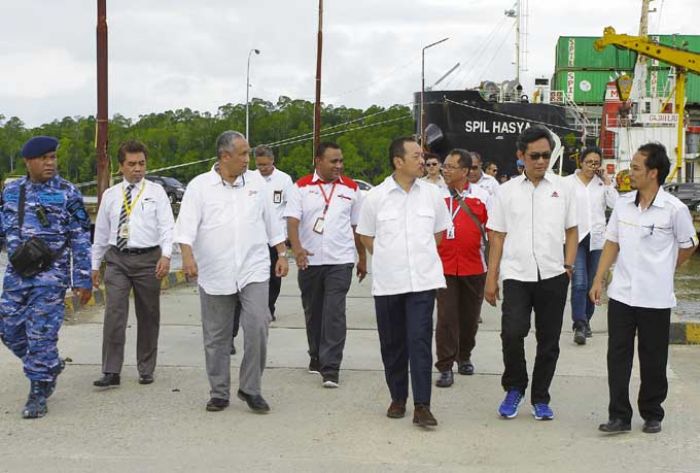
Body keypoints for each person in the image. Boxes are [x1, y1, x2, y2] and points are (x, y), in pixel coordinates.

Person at [174, 130, 288, 413]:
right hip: (215, 271)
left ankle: (251, 388)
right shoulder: (200, 186)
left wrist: (282, 253)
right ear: (225, 156)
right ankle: (219, 392)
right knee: (217, 336)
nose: (248, 160)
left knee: (258, 326)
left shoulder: (257, 185)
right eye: (244, 154)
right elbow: (185, 228)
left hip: (254, 268)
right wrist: (188, 258)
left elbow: (272, 223)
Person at [592, 143, 697, 435]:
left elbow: (689, 245)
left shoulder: (674, 210)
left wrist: (667, 268)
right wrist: (599, 278)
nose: (630, 172)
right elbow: (612, 242)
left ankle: (652, 413)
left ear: (653, 173)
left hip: (655, 297)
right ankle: (619, 416)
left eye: (636, 167)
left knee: (653, 357)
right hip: (623, 294)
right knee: (617, 355)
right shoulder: (623, 204)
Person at [484, 125, 578, 421]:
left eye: (546, 155)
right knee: (512, 332)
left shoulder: (563, 189)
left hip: (553, 274)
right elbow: (496, 235)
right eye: (534, 155)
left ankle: (541, 397)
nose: (540, 161)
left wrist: (569, 266)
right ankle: (515, 387)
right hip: (516, 274)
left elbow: (572, 230)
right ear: (521, 156)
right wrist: (491, 278)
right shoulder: (505, 191)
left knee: (548, 341)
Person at [356, 136, 451, 428]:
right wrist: (390, 257)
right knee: (393, 343)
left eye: (423, 156)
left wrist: (418, 257)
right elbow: (366, 236)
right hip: (389, 282)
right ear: (399, 162)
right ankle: (398, 397)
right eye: (416, 156)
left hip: (423, 281)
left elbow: (438, 232)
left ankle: (422, 405)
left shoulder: (433, 195)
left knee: (419, 341)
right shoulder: (375, 197)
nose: (422, 161)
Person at [0, 136, 92, 419]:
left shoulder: (68, 192)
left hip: (51, 276)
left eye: (53, 157)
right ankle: (49, 364)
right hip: (17, 273)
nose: (50, 163)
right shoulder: (12, 190)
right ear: (28, 162)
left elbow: (80, 238)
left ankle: (39, 391)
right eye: (44, 158)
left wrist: (83, 278)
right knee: (8, 329)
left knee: (40, 335)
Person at [91, 140, 175, 388]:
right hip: (117, 260)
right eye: (132, 164)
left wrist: (166, 255)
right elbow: (101, 233)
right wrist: (94, 265)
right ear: (121, 167)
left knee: (148, 315)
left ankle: (146, 367)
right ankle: (111, 370)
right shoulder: (110, 195)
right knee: (114, 314)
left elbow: (167, 227)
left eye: (142, 163)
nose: (137, 169)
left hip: (148, 259)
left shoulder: (156, 192)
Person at [285, 142, 367, 388]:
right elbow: (292, 221)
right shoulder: (300, 187)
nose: (339, 166)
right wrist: (297, 248)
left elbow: (357, 228)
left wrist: (362, 258)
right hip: (309, 261)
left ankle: (331, 368)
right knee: (314, 311)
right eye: (333, 161)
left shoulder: (351, 188)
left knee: (334, 313)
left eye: (341, 161)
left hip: (340, 261)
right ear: (318, 161)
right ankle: (316, 355)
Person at [434, 149, 490, 387]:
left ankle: (464, 355)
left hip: (474, 265)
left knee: (469, 318)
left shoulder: (483, 196)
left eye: (450, 167)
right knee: (446, 317)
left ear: (465, 171)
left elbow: (492, 232)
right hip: (443, 265)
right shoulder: (435, 195)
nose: (444, 170)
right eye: (444, 166)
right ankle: (445, 365)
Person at [230, 145, 293, 355]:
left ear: (273, 161)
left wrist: (286, 241)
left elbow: (289, 208)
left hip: (276, 238)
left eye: (266, 165)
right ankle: (236, 327)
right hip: (253, 240)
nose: (263, 168)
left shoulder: (284, 180)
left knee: (274, 278)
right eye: (259, 165)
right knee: (245, 281)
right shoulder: (249, 179)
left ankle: (269, 308)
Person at [564, 147, 618, 345]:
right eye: (589, 162)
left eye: (596, 163)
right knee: (578, 282)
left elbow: (615, 205)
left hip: (597, 238)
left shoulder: (601, 184)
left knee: (594, 283)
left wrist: (607, 182)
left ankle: (586, 319)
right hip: (575, 237)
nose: (592, 166)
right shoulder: (568, 183)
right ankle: (579, 323)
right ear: (581, 162)